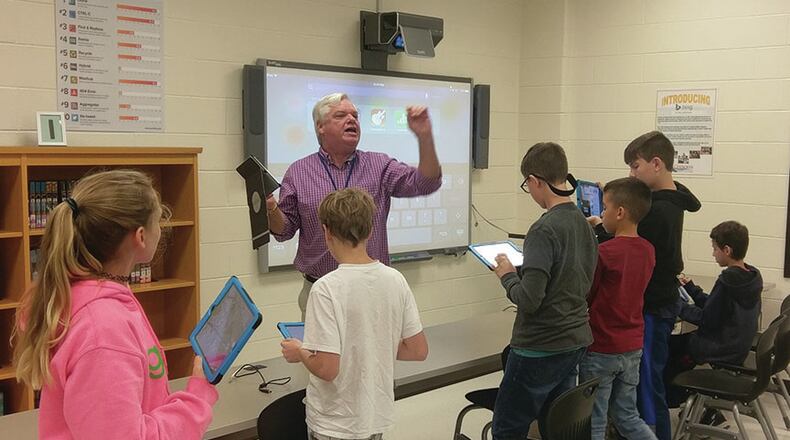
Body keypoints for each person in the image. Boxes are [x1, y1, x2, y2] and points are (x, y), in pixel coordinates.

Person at [12, 170, 217, 439]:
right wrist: (197, 397)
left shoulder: (93, 295)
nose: (162, 228)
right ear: (141, 236)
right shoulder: (103, 330)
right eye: (158, 220)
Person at [266, 93, 442, 319]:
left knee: (372, 354)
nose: (352, 120)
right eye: (341, 115)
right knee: (319, 356)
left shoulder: (379, 165)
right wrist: (271, 207)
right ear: (320, 127)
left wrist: (425, 137)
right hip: (320, 291)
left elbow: (426, 183)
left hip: (372, 291)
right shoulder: (299, 171)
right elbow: (284, 231)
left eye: (355, 115)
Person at [280, 188, 428, 440]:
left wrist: (300, 351)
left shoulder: (326, 288)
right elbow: (418, 350)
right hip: (374, 417)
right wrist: (371, 344)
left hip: (334, 423)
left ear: (326, 232)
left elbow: (327, 368)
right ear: (371, 230)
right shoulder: (395, 279)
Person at [589, 131, 701, 440]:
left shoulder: (658, 212)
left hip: (652, 309)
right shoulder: (672, 197)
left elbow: (623, 250)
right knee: (639, 393)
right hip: (654, 308)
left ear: (656, 163)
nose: (631, 173)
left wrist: (603, 228)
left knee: (649, 390)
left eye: (635, 166)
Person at [490, 142, 598, 440]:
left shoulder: (543, 230)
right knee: (558, 426)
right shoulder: (584, 224)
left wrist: (508, 275)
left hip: (538, 346)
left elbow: (529, 300)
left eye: (528, 185)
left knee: (507, 428)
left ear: (536, 180)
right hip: (573, 340)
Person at [578, 177, 657, 440]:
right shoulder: (648, 250)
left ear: (620, 212)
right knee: (627, 415)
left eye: (605, 208)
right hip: (632, 345)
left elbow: (587, 295)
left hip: (601, 346)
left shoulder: (604, 252)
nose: (602, 213)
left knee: (595, 419)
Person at [664, 221, 762, 412]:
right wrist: (692, 289)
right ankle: (688, 404)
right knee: (677, 345)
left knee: (668, 347)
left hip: (718, 347)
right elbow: (717, 308)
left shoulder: (727, 280)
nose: (713, 254)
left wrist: (676, 305)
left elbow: (706, 319)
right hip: (734, 345)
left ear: (726, 250)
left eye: (714, 249)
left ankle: (674, 400)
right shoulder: (750, 277)